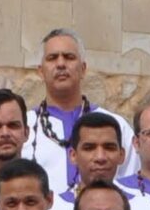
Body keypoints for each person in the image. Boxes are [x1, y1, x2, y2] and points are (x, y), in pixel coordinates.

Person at [23, 28, 109, 187]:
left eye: (69, 57)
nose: (61, 64)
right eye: (52, 58)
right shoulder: (24, 128)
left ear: (83, 69)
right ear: (41, 71)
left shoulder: (113, 126)